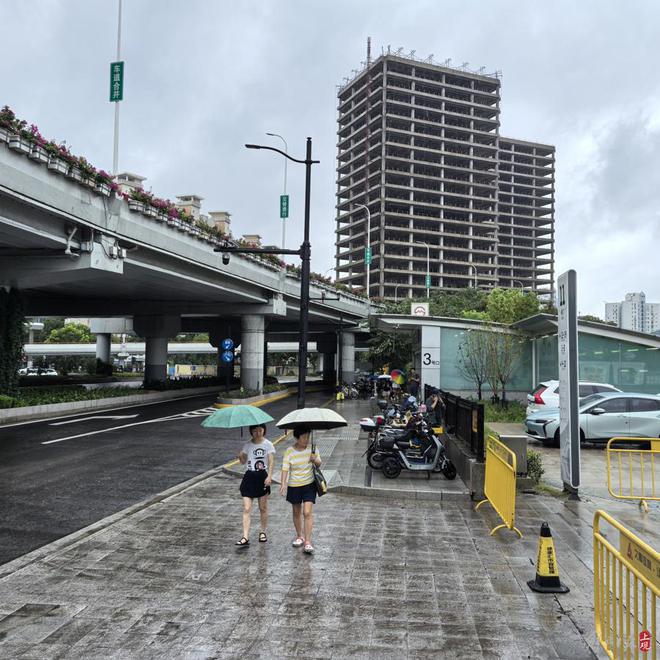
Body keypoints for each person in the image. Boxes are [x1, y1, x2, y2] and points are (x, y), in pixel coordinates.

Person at [279, 427, 321, 555]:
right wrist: (283, 483)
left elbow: (319, 463)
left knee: (307, 512)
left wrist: (315, 459)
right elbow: (285, 468)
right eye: (303, 437)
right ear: (297, 438)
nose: (306, 440)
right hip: (294, 486)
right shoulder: (289, 451)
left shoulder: (312, 448)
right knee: (296, 512)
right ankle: (299, 536)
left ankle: (308, 542)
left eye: (308, 437)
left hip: (309, 485)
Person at [235, 424, 275, 548]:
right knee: (247, 508)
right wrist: (240, 456)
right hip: (249, 477)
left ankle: (262, 532)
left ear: (264, 430)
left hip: (262, 477)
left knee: (263, 508)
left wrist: (269, 476)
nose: (258, 432)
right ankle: (245, 536)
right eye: (255, 430)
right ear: (251, 431)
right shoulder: (247, 445)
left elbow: (271, 461)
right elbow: (243, 462)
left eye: (260, 430)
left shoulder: (268, 444)